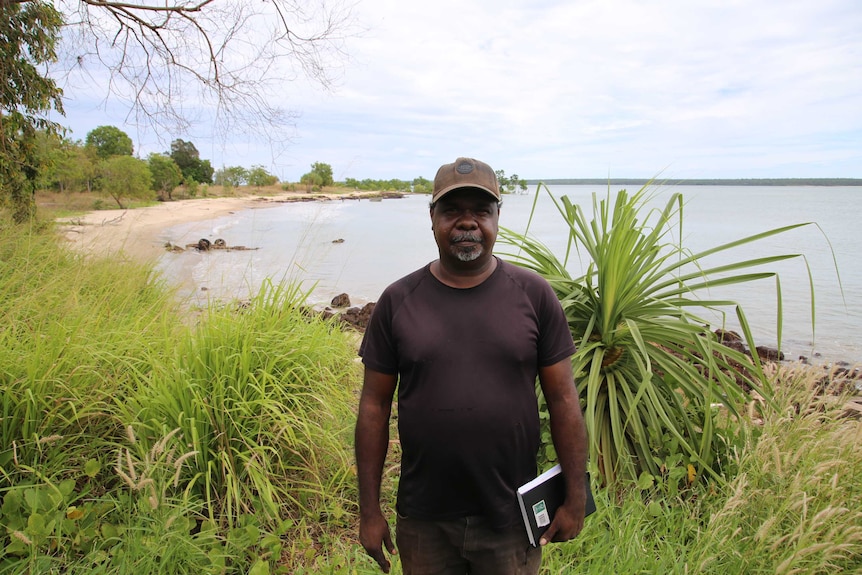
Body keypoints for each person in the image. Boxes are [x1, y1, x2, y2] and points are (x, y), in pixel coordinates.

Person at [355, 157, 588, 574]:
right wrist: (369, 512)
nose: (467, 222)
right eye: (452, 211)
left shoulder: (534, 295)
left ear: (498, 217)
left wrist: (574, 496)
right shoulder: (397, 300)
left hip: (510, 518)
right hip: (424, 518)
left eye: (481, 210)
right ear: (432, 218)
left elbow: (563, 399)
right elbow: (374, 405)